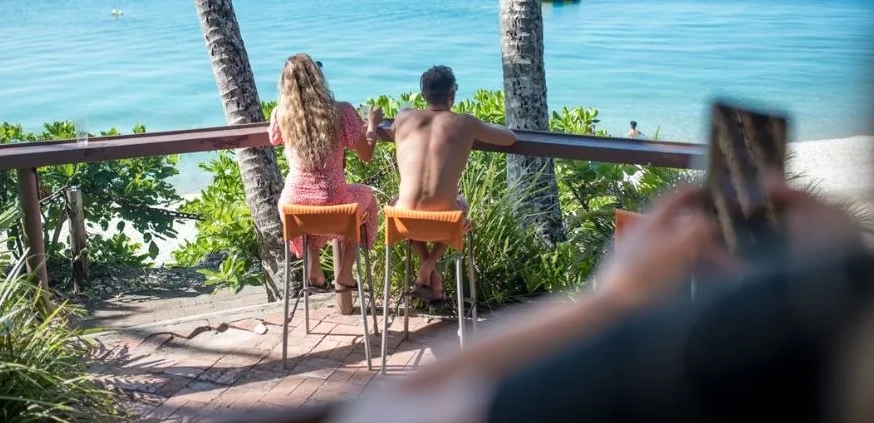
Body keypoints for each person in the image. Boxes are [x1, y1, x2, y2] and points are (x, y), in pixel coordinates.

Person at [332, 176, 874, 423]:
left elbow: (386, 408)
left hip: (397, 222)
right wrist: (829, 276)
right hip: (444, 221)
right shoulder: (823, 336)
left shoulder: (663, 381)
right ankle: (432, 271)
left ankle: (381, 281)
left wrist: (611, 299)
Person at [389, 65, 517, 302]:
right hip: (445, 220)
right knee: (462, 205)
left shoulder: (404, 117)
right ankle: (428, 269)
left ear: (424, 95)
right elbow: (510, 138)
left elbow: (392, 131)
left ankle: (431, 275)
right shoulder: (465, 123)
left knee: (400, 202)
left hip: (403, 219)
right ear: (452, 93)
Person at [268, 53, 384, 291]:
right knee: (365, 199)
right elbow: (366, 154)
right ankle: (345, 272)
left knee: (311, 216)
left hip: (293, 205)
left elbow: (274, 138)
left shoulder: (281, 114)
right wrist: (371, 125)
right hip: (333, 201)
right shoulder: (341, 111)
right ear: (318, 78)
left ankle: (313, 266)